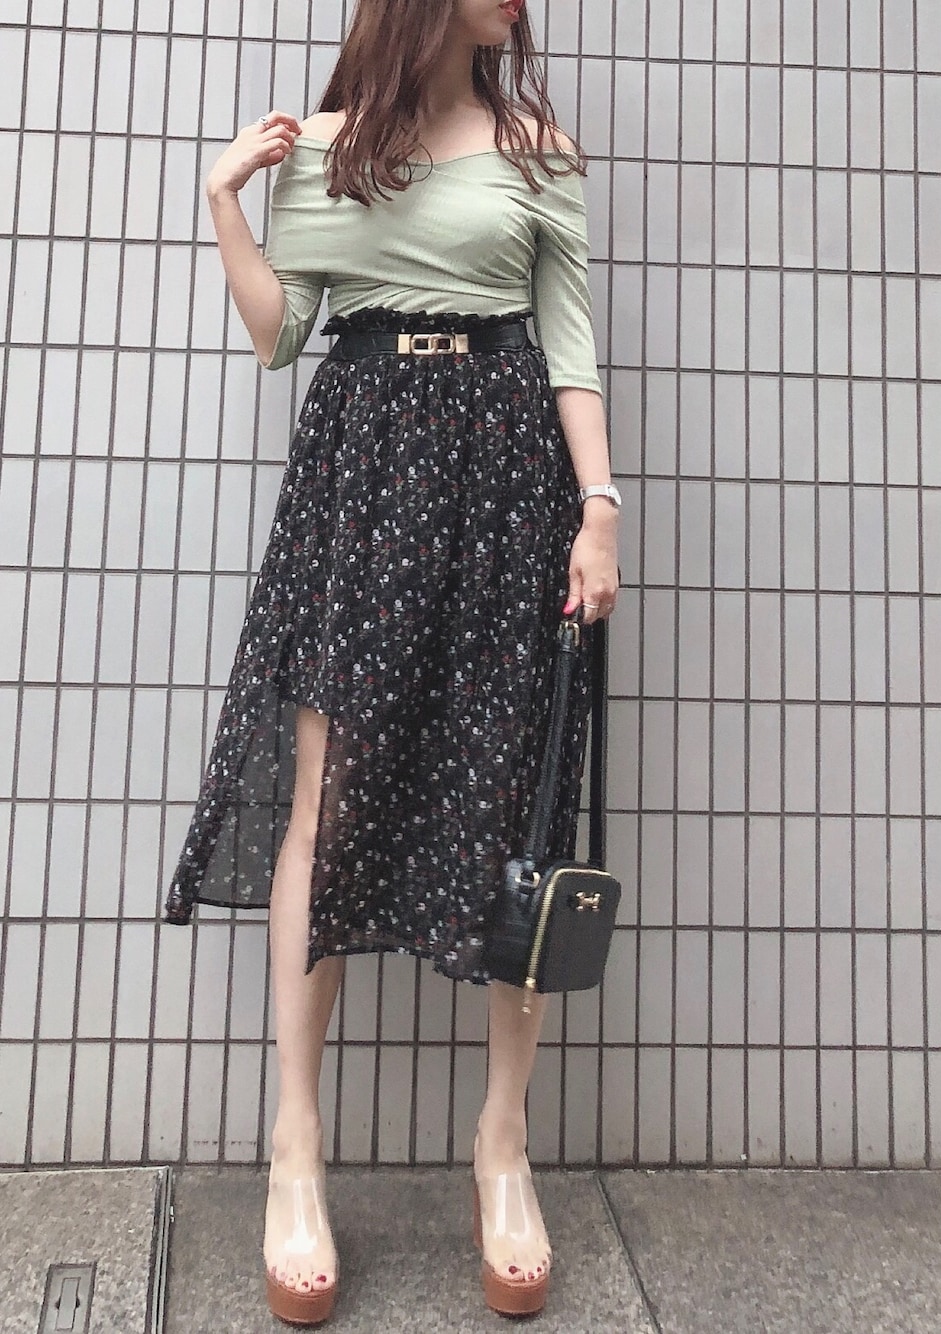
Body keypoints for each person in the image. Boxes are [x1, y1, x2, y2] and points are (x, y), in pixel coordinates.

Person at [161, 0, 620, 1323]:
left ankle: (502, 1144)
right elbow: (278, 335)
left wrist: (600, 508)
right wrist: (225, 203)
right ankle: (294, 1145)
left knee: (514, 805)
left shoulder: (539, 149)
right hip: (363, 470)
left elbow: (569, 340)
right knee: (327, 799)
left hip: (509, 473)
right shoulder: (328, 148)